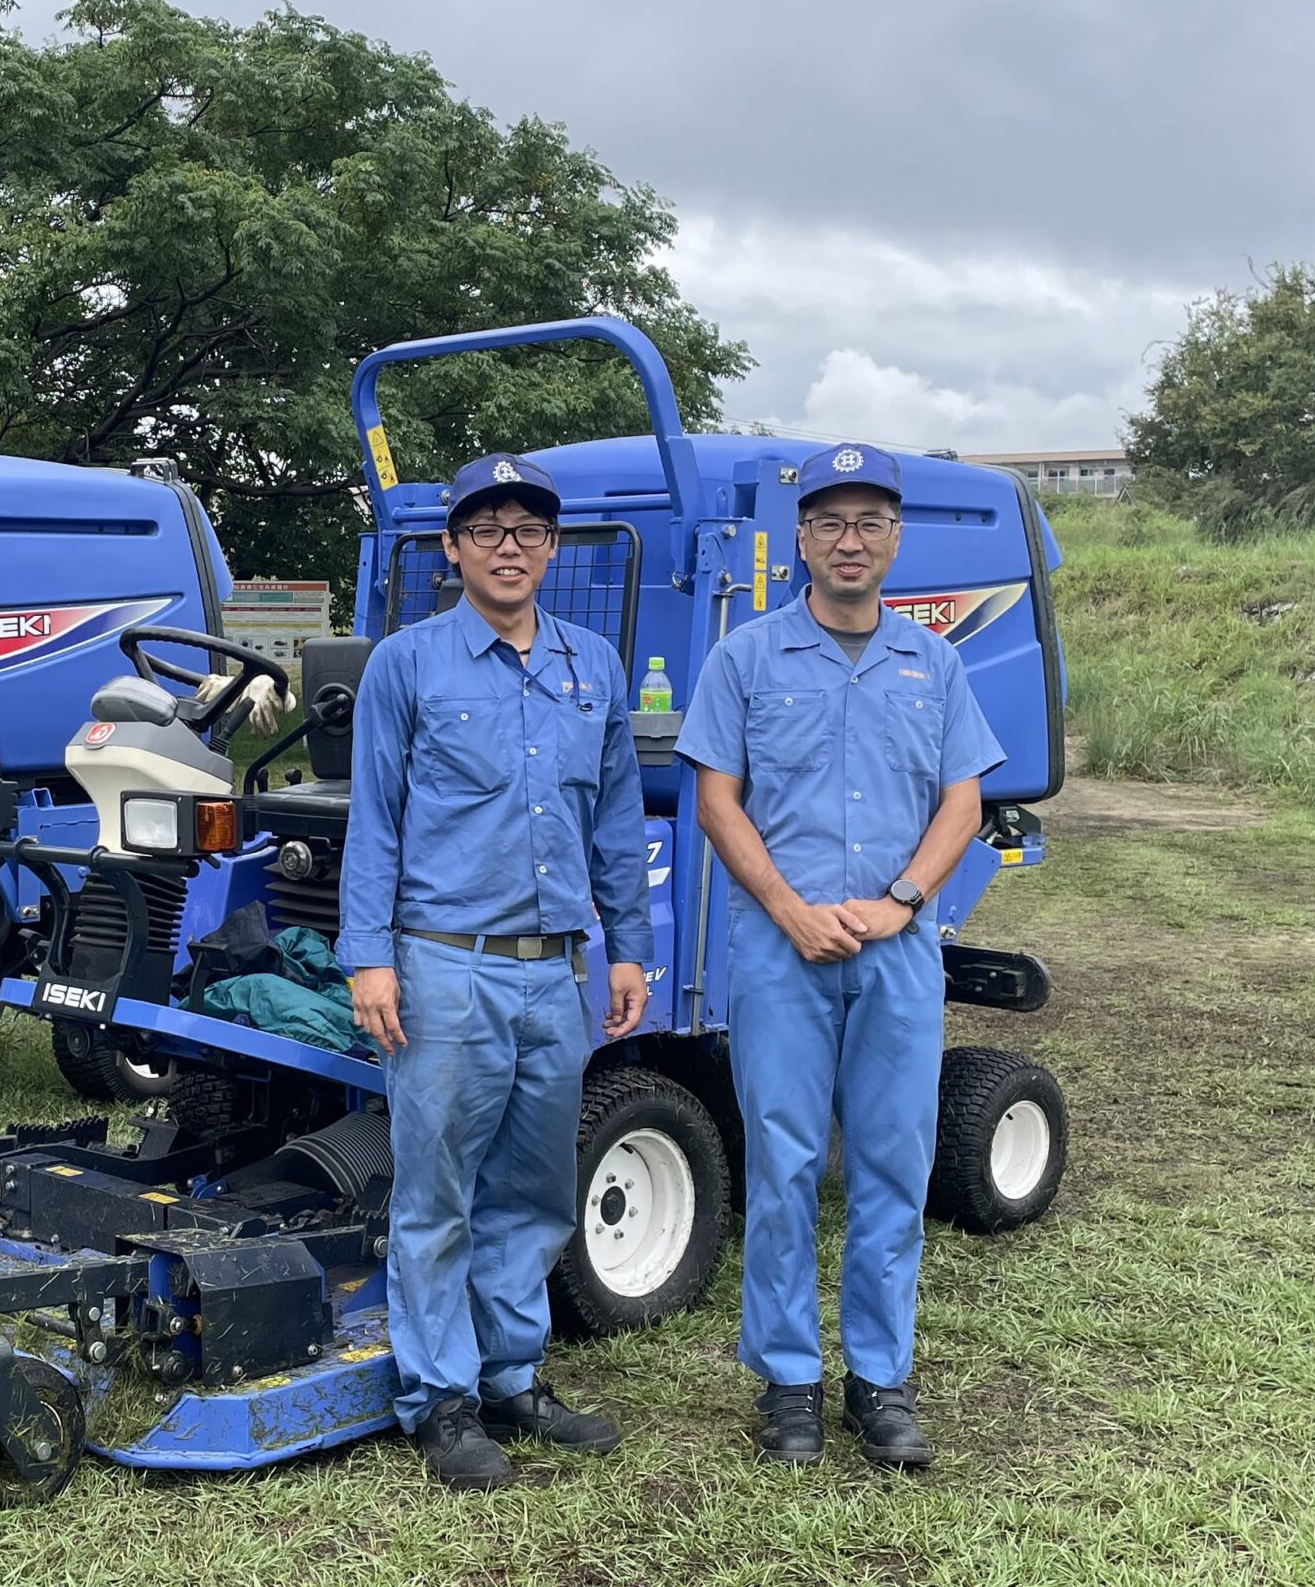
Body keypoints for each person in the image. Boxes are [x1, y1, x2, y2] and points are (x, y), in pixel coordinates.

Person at [675, 442, 1004, 1470]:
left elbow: (964, 798)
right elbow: (715, 798)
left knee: (893, 1168)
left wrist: (905, 900)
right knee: (780, 1168)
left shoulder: (933, 664)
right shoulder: (744, 658)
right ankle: (786, 1385)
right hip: (783, 953)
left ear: (892, 540)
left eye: (868, 523)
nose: (849, 540)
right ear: (802, 541)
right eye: (829, 523)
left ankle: (878, 1381)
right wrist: (785, 907)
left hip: (897, 952)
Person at [340, 453, 652, 1491]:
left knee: (531, 1189)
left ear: (551, 548)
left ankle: (512, 1376)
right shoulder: (407, 664)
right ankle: (439, 1399)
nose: (507, 546)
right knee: (437, 1193)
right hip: (443, 968)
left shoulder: (590, 667)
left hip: (556, 972)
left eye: (526, 530)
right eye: (486, 529)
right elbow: (373, 823)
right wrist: (370, 959)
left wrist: (628, 946)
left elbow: (613, 818)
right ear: (452, 548)